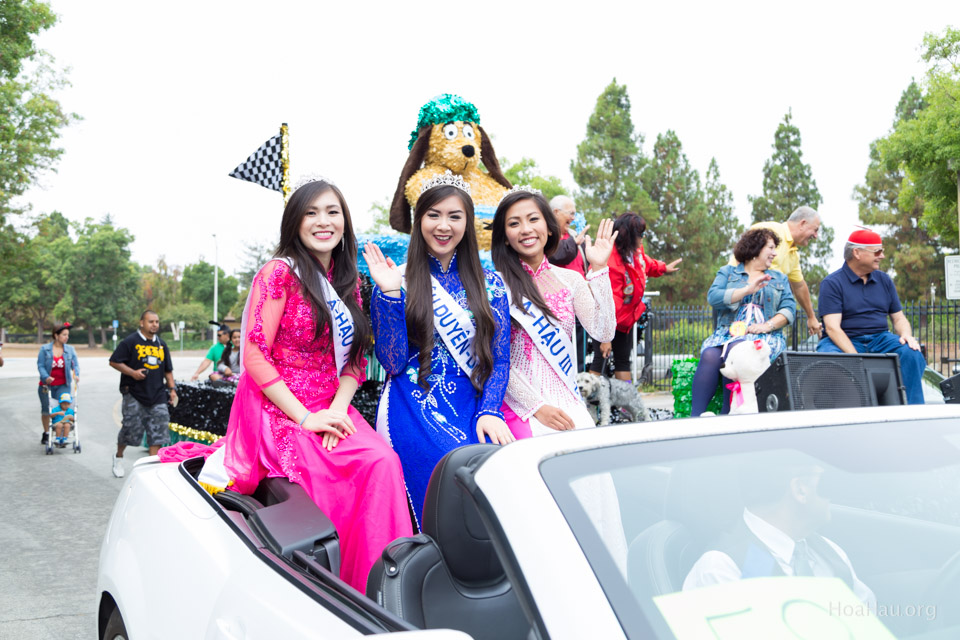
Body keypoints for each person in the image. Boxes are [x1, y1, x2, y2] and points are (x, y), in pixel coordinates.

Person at [168, 177, 412, 592]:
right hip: (278, 406)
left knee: (382, 463)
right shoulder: (279, 274)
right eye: (311, 212)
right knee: (322, 478)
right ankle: (323, 592)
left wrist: (337, 409)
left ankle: (381, 590)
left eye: (332, 212)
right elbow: (254, 355)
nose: (323, 221)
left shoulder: (347, 279)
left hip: (332, 404)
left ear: (344, 221)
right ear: (295, 222)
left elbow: (354, 359)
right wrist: (305, 419)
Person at [365, 172, 512, 526]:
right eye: (433, 215)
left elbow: (500, 357)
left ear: (467, 223)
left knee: (497, 466)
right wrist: (387, 297)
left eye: (454, 216)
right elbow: (393, 362)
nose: (443, 225)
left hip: (473, 404)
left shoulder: (490, 283)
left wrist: (489, 410)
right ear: (419, 223)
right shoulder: (394, 279)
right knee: (450, 463)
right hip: (412, 403)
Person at [493, 188, 616, 437]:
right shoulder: (494, 285)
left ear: (549, 228)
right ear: (505, 236)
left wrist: (600, 269)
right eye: (514, 223)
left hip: (569, 402)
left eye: (533, 219)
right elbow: (493, 359)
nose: (526, 229)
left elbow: (603, 331)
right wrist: (537, 407)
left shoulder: (571, 280)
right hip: (519, 407)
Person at [683, 454, 876, 607]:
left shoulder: (829, 551)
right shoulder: (722, 570)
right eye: (825, 481)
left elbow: (869, 620)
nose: (832, 494)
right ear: (801, 490)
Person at [691, 228, 796, 416]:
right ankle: (693, 418)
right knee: (709, 355)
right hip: (727, 334)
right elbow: (713, 297)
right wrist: (747, 290)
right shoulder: (728, 273)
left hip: (764, 336)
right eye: (770, 248)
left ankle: (727, 416)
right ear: (756, 249)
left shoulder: (780, 278)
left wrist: (767, 325)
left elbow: (789, 310)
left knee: (738, 352)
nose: (774, 253)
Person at [816, 229, 925, 405]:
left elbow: (899, 319)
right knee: (830, 359)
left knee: (911, 353)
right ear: (857, 253)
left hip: (880, 338)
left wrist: (906, 335)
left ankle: (912, 411)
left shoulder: (884, 280)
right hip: (843, 339)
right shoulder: (832, 283)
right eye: (877, 251)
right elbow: (832, 328)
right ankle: (840, 413)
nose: (881, 256)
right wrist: (855, 357)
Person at [588, 213, 680, 382]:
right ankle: (584, 404)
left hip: (625, 320)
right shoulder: (611, 262)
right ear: (628, 236)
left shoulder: (635, 252)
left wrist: (663, 268)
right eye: (640, 234)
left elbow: (645, 263)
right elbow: (607, 303)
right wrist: (606, 337)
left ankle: (626, 405)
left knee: (623, 361)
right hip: (605, 320)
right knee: (600, 359)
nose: (643, 237)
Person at [733, 206, 822, 337]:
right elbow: (738, 261)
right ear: (802, 223)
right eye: (815, 230)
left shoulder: (793, 255)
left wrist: (811, 317)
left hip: (767, 321)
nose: (816, 236)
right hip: (740, 314)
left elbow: (799, 286)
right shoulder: (768, 231)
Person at [109, 310, 177, 477]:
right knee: (130, 430)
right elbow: (114, 361)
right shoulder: (131, 342)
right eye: (151, 321)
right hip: (134, 393)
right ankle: (118, 457)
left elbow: (168, 370)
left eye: (157, 322)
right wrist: (132, 373)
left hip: (158, 395)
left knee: (158, 433)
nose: (155, 324)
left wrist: (172, 390)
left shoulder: (161, 344)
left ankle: (150, 470)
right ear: (142, 323)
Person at [549, 195, 590, 370]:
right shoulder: (546, 236)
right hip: (557, 302)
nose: (573, 218)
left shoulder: (573, 235)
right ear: (556, 212)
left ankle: (580, 384)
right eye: (571, 213)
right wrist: (575, 242)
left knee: (580, 348)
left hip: (579, 301)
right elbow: (557, 256)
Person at [37, 322, 80, 445]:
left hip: (63, 385)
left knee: (64, 408)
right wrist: (46, 377)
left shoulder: (70, 350)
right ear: (56, 335)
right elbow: (40, 365)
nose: (67, 337)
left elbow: (75, 365)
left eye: (68, 335)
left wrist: (76, 374)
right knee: (47, 410)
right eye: (64, 335)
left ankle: (61, 434)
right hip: (47, 385)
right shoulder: (44, 349)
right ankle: (46, 432)